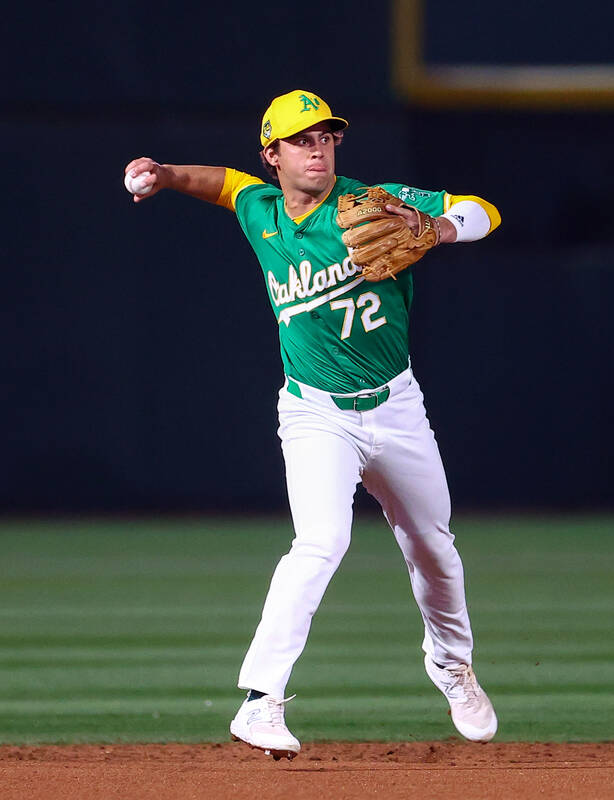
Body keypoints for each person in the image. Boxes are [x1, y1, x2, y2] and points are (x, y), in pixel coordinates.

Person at [122, 89, 501, 759]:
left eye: (326, 135)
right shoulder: (261, 209)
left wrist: (439, 228)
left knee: (434, 546)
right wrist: (166, 174)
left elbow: (484, 211)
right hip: (315, 413)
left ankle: (450, 665)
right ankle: (260, 702)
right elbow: (223, 185)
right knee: (320, 542)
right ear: (273, 155)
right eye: (301, 139)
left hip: (396, 404)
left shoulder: (370, 202)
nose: (318, 147)